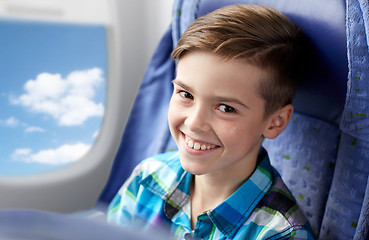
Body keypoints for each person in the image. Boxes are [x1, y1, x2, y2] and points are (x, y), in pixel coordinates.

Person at [107, 4, 315, 240]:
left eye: (226, 108)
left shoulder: (282, 235)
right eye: (186, 94)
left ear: (275, 122)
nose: (195, 123)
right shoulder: (148, 178)